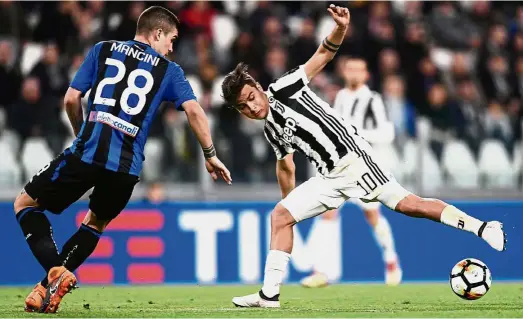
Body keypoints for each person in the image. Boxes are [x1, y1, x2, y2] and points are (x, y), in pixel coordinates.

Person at [221, 4, 506, 308]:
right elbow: (285, 166)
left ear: (258, 88)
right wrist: (290, 205)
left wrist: (341, 28)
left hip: (355, 161)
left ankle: (484, 227)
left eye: (251, 98)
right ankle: (269, 295)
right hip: (328, 177)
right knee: (279, 215)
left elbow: (322, 56)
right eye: (243, 107)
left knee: (410, 205)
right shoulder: (271, 129)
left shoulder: (284, 87)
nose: (252, 107)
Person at [14, 6, 231, 313]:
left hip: (88, 152)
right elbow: (195, 111)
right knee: (95, 223)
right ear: (156, 34)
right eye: (171, 38)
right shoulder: (170, 71)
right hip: (126, 168)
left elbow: (71, 98)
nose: (172, 47)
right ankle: (48, 287)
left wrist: (81, 135)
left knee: (25, 203)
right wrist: (210, 155)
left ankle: (54, 271)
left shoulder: (102, 50)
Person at [300, 57, 402, 289]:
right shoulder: (342, 98)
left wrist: (357, 135)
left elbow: (387, 133)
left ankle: (391, 261)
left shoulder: (372, 100)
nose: (354, 73)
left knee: (373, 216)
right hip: (341, 168)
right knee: (327, 212)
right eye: (350, 69)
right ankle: (320, 271)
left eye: (359, 69)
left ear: (366, 75)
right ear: (344, 72)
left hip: (366, 168)